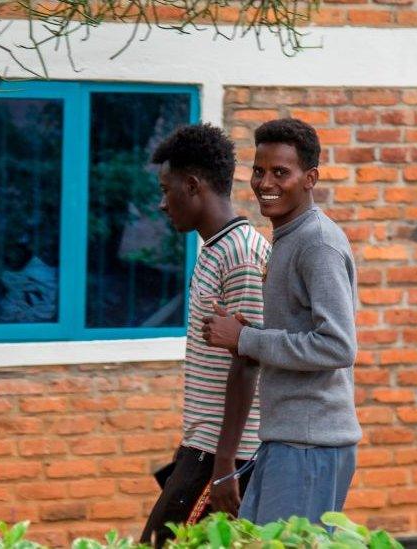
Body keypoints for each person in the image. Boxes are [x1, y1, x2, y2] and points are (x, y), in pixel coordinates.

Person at [202, 118, 360, 525]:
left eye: (280, 172)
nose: (265, 183)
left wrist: (248, 339)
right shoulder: (289, 236)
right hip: (287, 439)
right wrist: (245, 336)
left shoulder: (318, 243)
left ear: (310, 179)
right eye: (259, 170)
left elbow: (337, 345)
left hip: (310, 445)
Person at [140, 124, 270, 547]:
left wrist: (225, 467)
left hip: (221, 456)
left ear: (193, 185)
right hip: (203, 448)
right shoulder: (216, 248)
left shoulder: (242, 254)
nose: (162, 204)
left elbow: (248, 361)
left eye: (166, 189)